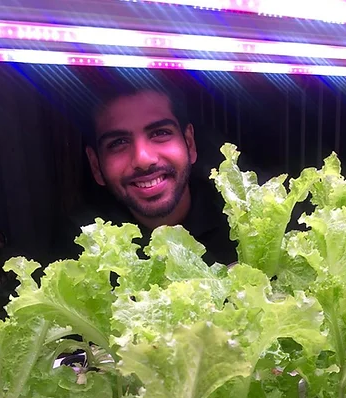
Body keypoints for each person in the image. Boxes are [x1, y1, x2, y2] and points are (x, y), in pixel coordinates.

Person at [51, 79, 237, 266]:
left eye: (160, 133)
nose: (143, 159)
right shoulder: (79, 250)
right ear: (96, 166)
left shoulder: (240, 221)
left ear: (189, 144)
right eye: (118, 143)